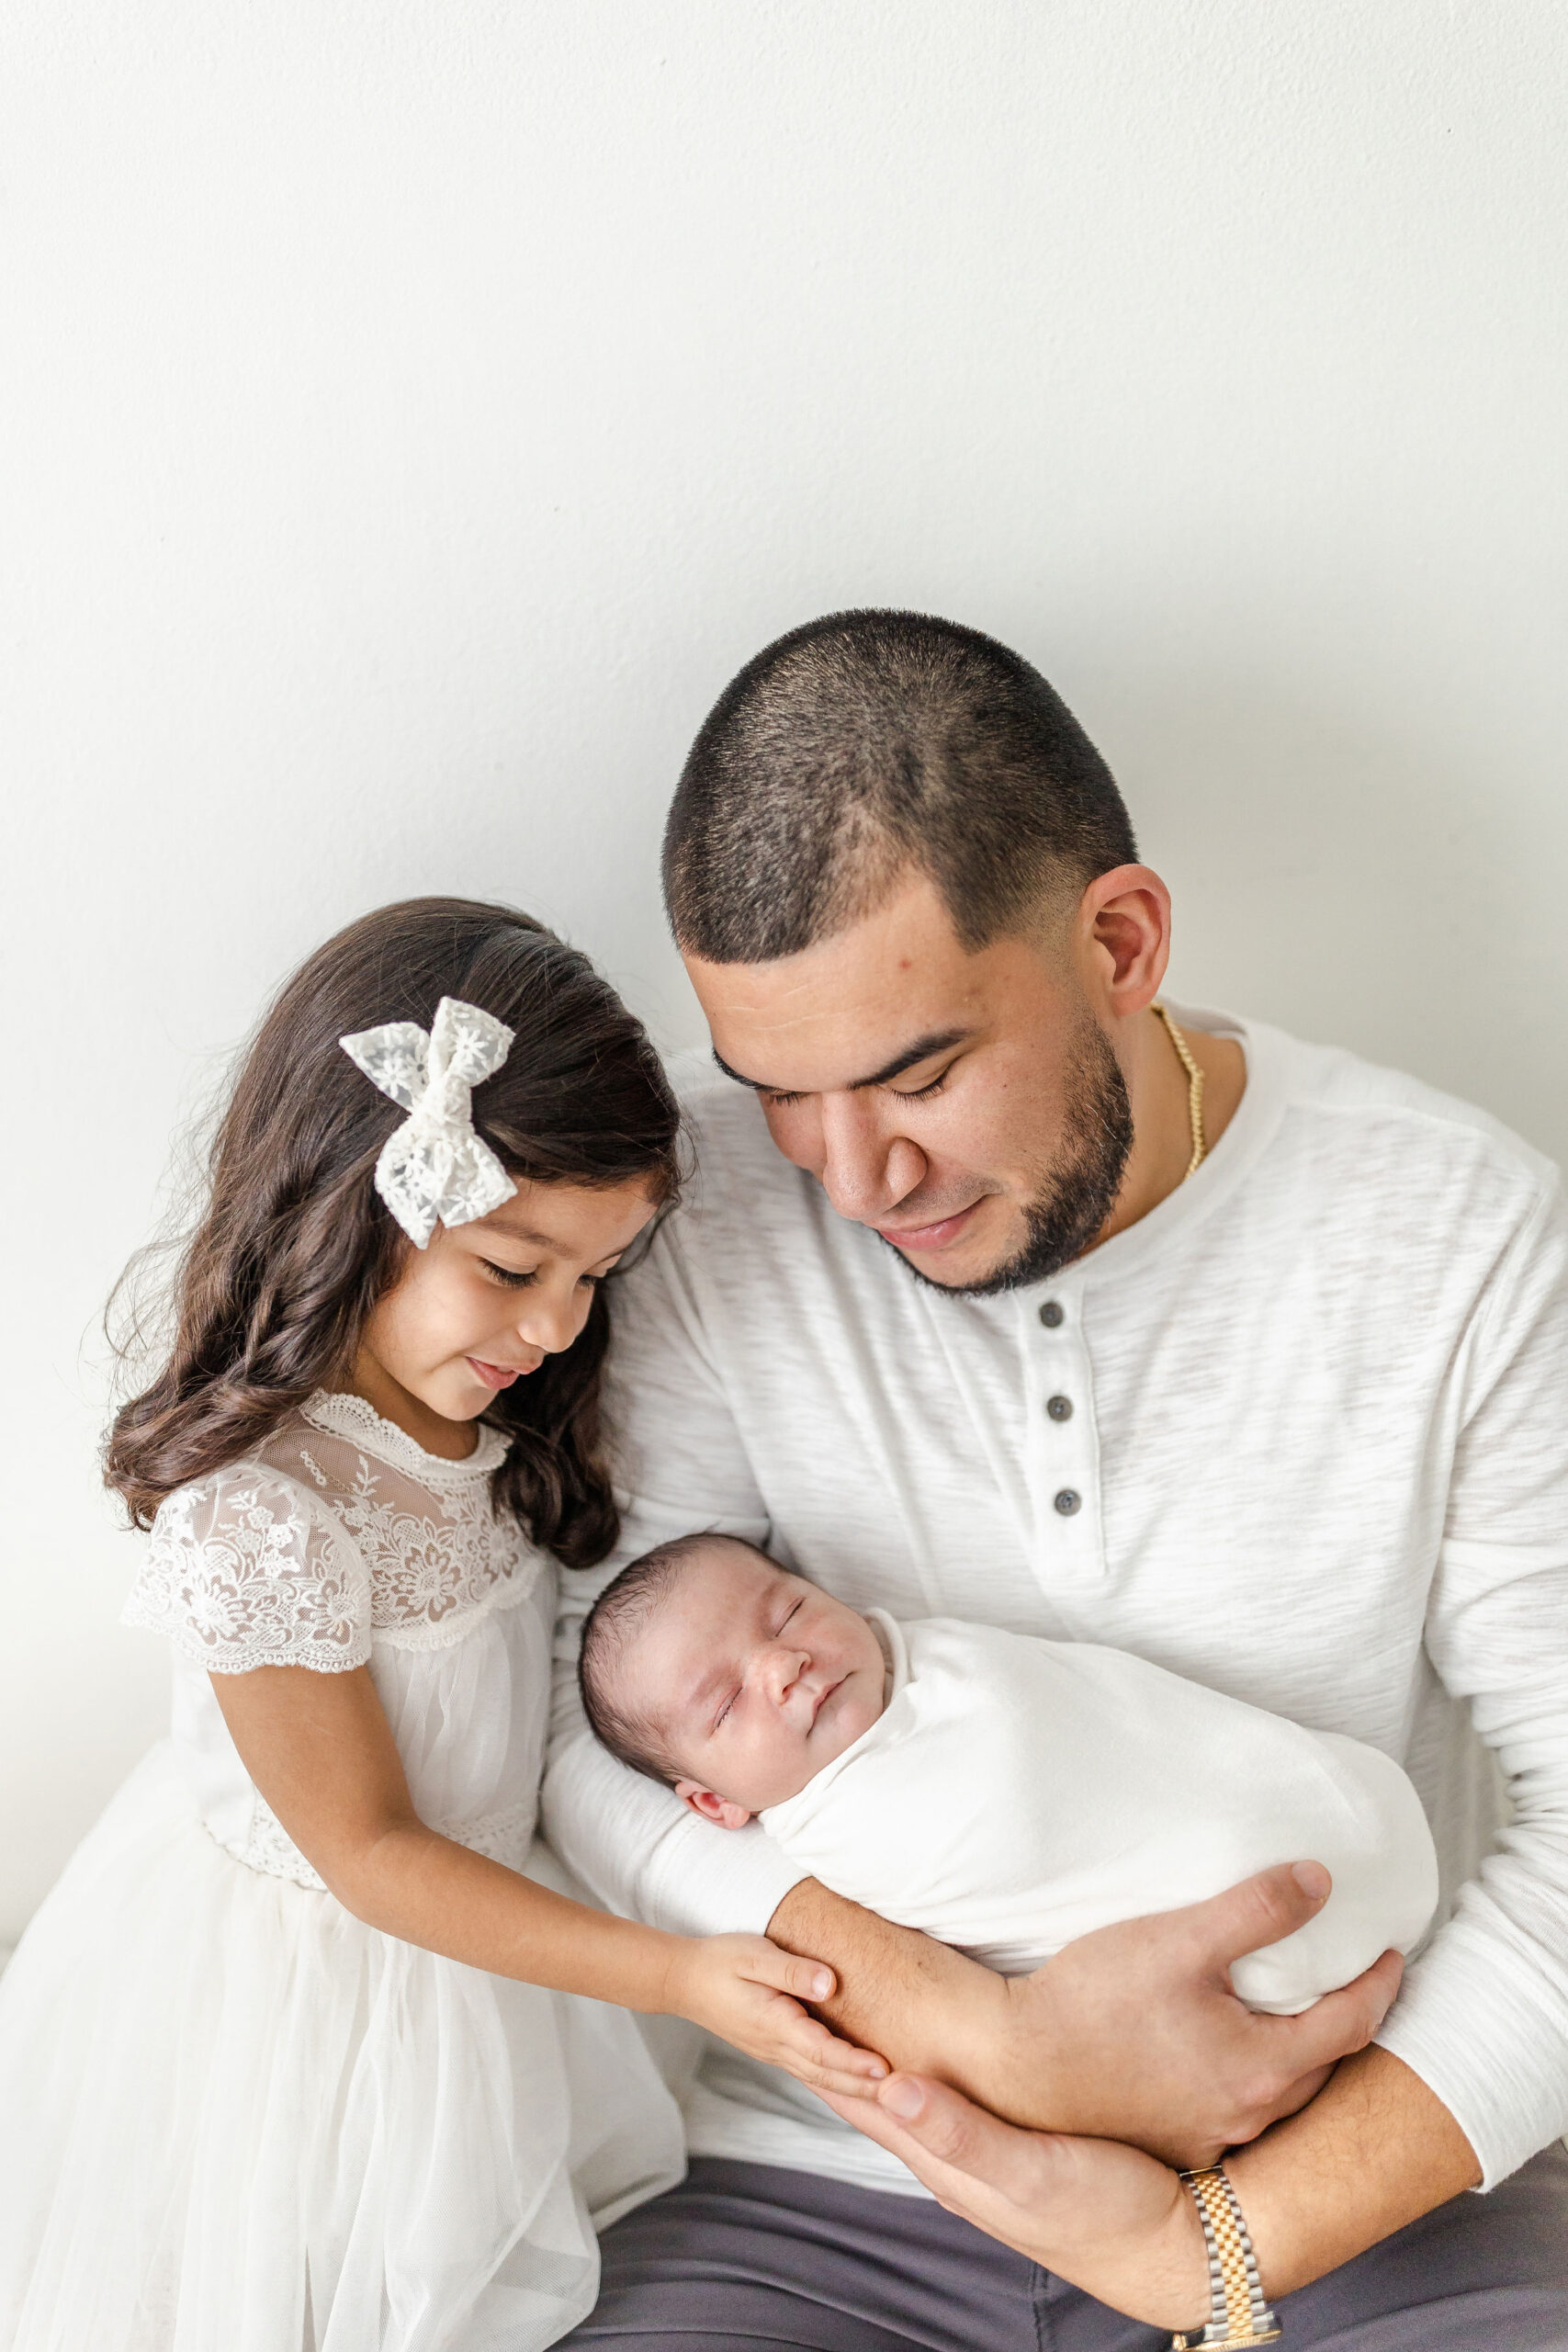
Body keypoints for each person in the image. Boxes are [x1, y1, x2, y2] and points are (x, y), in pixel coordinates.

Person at [544, 612, 1568, 2348]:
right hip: (829, 2195)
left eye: (917, 1071)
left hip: (1341, 2188)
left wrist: (1210, 2251)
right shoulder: (709, 1222)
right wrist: (982, 2041)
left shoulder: (1459, 1240)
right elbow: (590, 1731)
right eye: (778, 1091)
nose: (852, 1178)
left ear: (1121, 941)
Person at [0, 897, 884, 2352]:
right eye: (511, 1268)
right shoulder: (264, 1510)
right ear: (362, 1200)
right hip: (308, 2005)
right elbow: (366, 1853)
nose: (551, 1331)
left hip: (491, 1970)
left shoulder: (493, 1434)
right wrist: (674, 1976)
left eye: (590, 1282)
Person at [575, 1532, 1438, 2016]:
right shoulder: (838, 1837)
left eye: (789, 1611)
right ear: (714, 1804)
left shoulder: (933, 1655)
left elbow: (1101, 1716)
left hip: (1325, 1816)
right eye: (725, 1704)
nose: (783, 1665)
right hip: (1231, 1974)